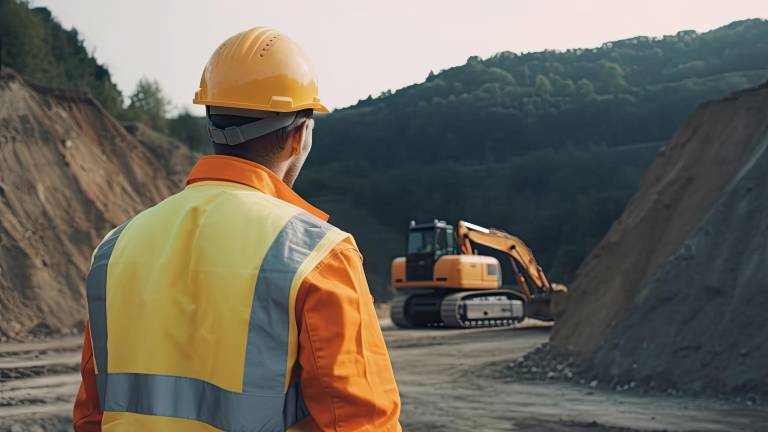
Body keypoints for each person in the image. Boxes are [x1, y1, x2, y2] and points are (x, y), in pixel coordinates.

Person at [73, 27, 401, 432]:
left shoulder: (114, 249)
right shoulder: (319, 255)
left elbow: (91, 415)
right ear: (300, 136)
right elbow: (360, 422)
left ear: (211, 123)